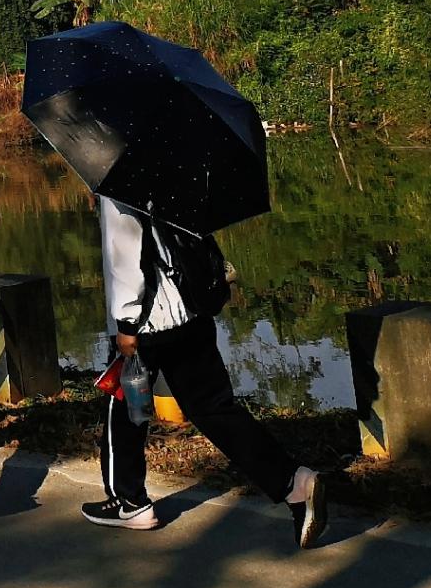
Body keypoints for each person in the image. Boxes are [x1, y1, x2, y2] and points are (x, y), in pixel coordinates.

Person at [84, 196, 325, 546]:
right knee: (214, 409)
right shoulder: (175, 171)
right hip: (192, 310)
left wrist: (126, 322)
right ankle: (293, 482)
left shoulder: (120, 185)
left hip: (149, 321)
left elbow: (125, 254)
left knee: (123, 405)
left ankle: (129, 502)